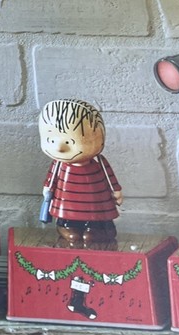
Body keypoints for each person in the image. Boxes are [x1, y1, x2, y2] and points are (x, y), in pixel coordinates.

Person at [39, 98, 122, 247]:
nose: (59, 148)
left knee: (97, 215)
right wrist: (48, 188)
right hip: (66, 201)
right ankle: (67, 226)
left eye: (69, 142)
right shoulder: (59, 163)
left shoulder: (99, 162)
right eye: (51, 141)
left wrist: (116, 190)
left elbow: (109, 177)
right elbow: (52, 177)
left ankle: (97, 229)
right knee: (67, 217)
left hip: (95, 200)